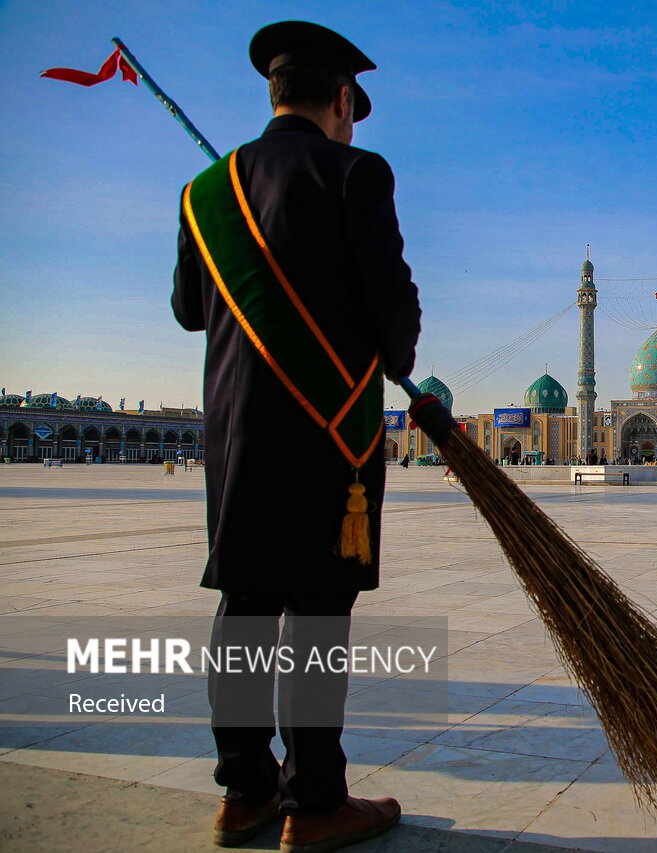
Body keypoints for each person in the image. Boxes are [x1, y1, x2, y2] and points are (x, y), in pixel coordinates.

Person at [171, 21, 418, 852]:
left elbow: (186, 310)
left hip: (238, 435)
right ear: (342, 100)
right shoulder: (357, 172)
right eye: (353, 110)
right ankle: (314, 803)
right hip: (328, 440)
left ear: (271, 94)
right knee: (315, 615)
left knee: (245, 606)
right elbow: (394, 315)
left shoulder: (206, 192)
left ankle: (244, 792)